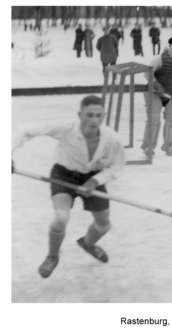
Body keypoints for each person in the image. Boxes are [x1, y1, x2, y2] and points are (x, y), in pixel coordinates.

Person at [11, 95, 126, 278]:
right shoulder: (65, 128)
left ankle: (87, 243)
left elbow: (116, 166)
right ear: (80, 114)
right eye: (89, 115)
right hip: (64, 174)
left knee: (104, 226)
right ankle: (52, 256)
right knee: (61, 216)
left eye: (99, 115)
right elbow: (25, 129)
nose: (94, 120)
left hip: (93, 177)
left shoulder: (112, 138)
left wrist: (95, 181)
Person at [141, 36, 172, 157]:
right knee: (154, 118)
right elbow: (148, 73)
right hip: (154, 91)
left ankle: (170, 146)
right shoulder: (160, 58)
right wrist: (158, 86)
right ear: (170, 47)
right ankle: (149, 147)